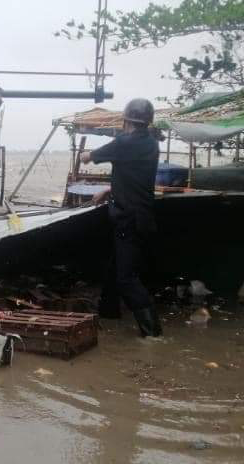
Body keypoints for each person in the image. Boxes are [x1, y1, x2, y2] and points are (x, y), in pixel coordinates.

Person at [79, 97, 162, 337]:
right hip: (142, 216)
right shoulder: (151, 143)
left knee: (126, 278)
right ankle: (108, 313)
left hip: (129, 219)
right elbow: (135, 177)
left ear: (126, 121)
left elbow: (87, 157)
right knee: (115, 267)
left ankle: (153, 332)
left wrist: (86, 152)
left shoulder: (125, 142)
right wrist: (109, 190)